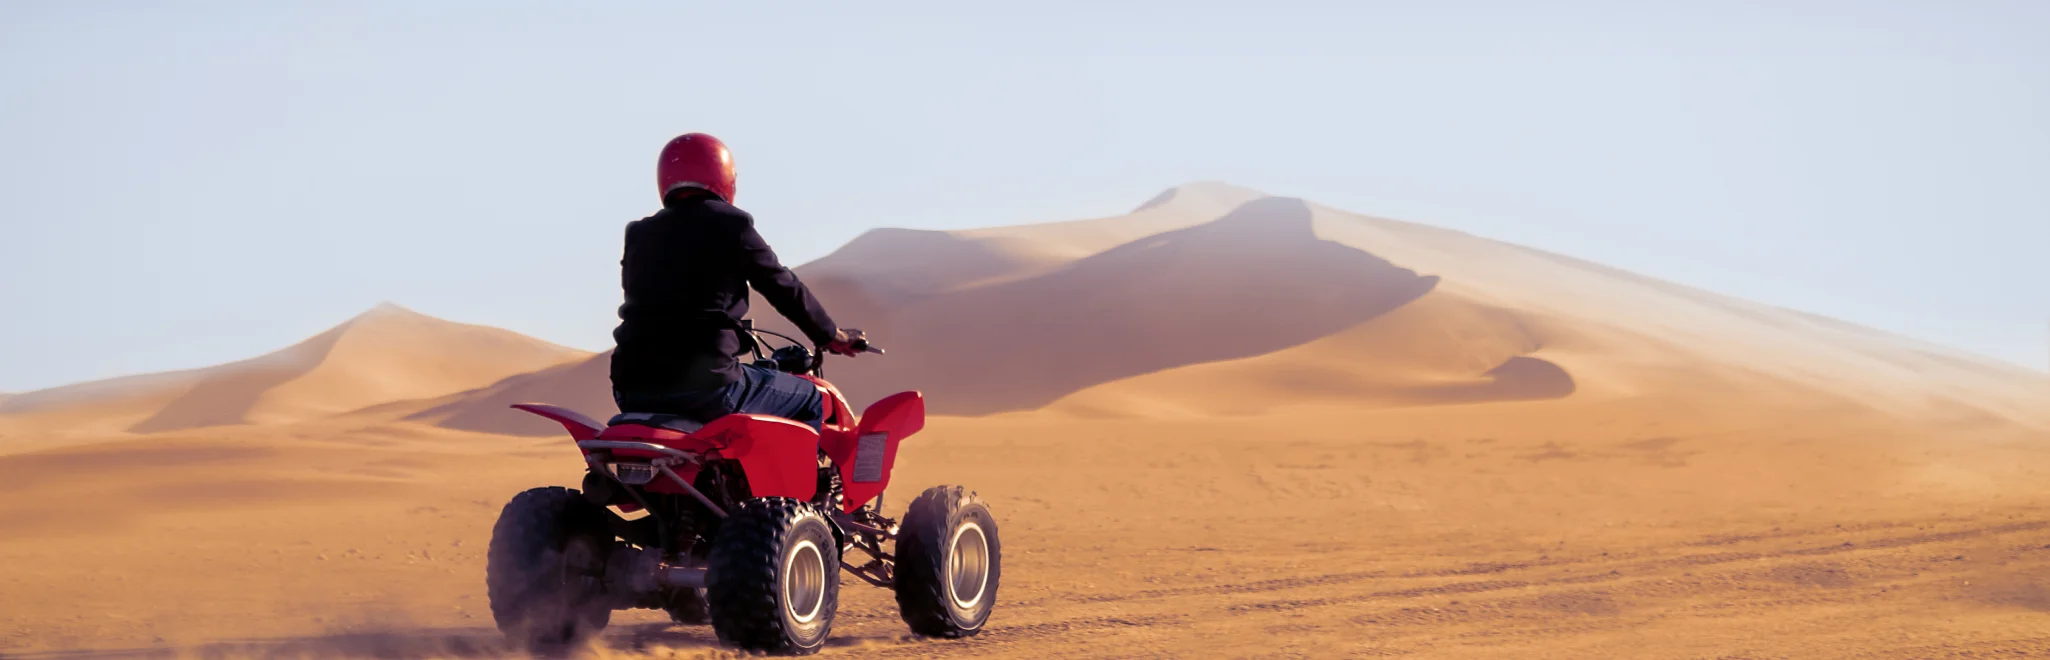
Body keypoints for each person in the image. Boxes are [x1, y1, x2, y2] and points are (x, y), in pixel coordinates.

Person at [609, 133, 863, 431]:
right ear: (723, 175)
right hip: (707, 388)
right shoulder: (732, 224)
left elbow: (648, 303)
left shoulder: (639, 233)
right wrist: (831, 335)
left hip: (631, 390)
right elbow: (781, 285)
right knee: (812, 398)